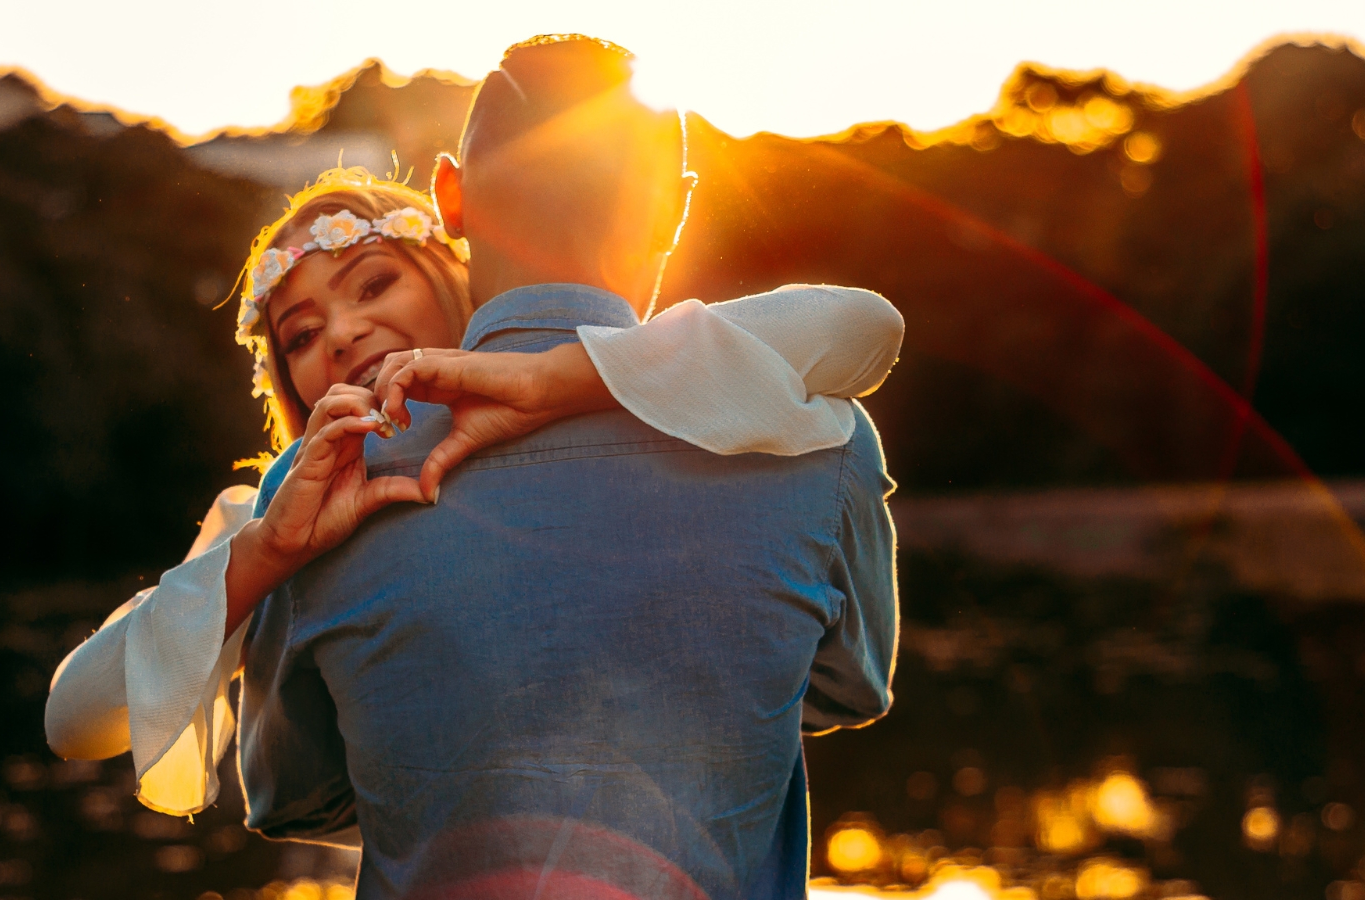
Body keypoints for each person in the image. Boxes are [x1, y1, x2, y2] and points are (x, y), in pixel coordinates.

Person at [46, 36, 901, 895]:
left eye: (374, 284)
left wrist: (548, 380)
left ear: (450, 209)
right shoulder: (801, 423)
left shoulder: (318, 520)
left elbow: (293, 796)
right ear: (672, 208)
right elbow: (845, 690)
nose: (343, 335)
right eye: (301, 334)